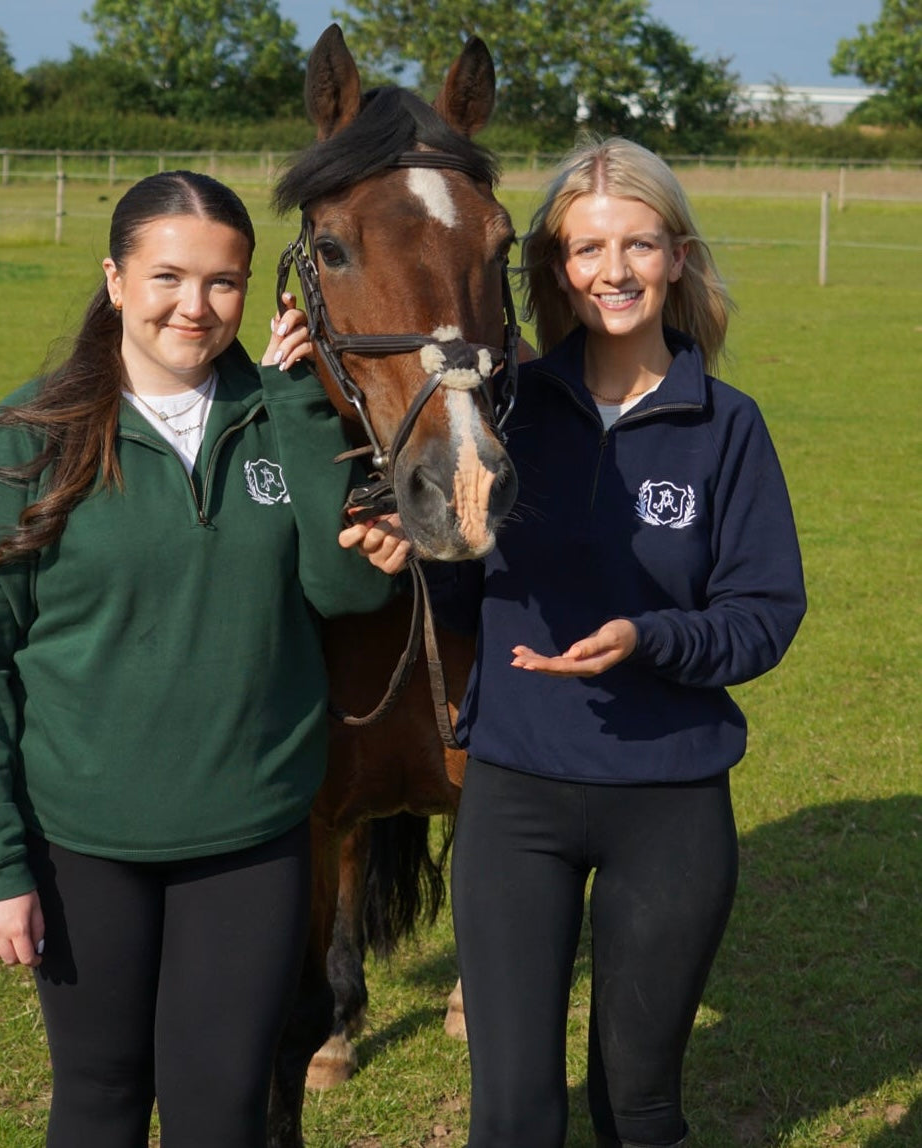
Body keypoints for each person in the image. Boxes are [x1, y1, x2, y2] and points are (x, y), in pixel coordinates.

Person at [344, 137, 806, 1147]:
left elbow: (765, 610)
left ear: (676, 257)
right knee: (511, 1116)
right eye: (587, 248)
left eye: (637, 244)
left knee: (637, 1109)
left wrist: (648, 636)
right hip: (514, 800)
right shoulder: (503, 412)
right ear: (555, 269)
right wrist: (418, 551)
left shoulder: (724, 426)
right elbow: (465, 601)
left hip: (670, 800)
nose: (613, 270)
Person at [0, 170, 393, 1148]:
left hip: (251, 837)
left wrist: (303, 410)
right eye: (167, 276)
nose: (195, 305)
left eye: (223, 281)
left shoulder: (283, 416)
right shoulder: (25, 444)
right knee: (98, 1098)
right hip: (82, 844)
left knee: (221, 1106)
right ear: (114, 277)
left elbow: (346, 596)